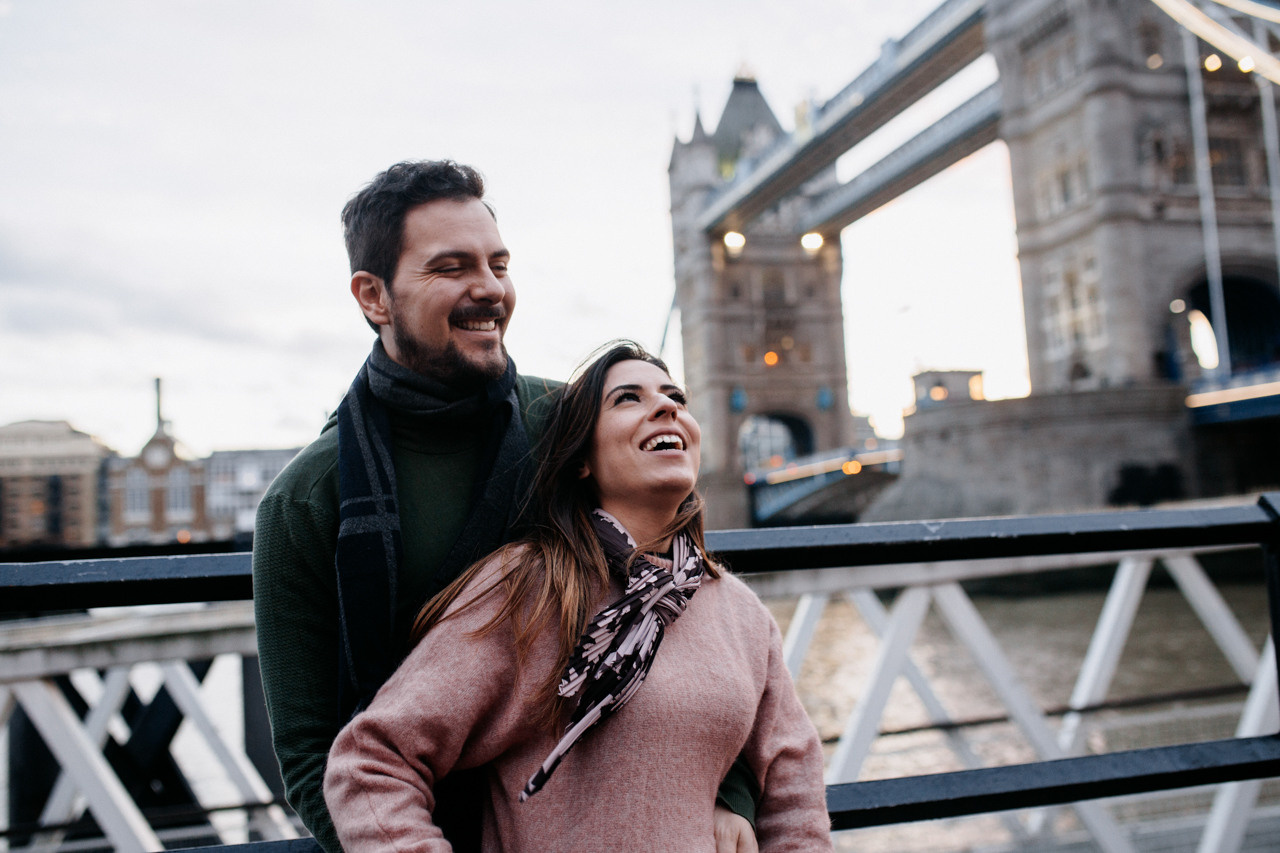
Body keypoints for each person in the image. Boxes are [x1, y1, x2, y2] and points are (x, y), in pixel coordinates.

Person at [252, 162, 759, 853]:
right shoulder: (308, 499)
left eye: (498, 263)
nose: (489, 289)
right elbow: (314, 755)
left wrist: (727, 792)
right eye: (451, 267)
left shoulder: (572, 422)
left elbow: (680, 591)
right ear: (374, 296)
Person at [324, 342, 834, 852]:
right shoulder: (529, 589)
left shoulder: (738, 610)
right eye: (627, 399)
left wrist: (734, 800)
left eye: (675, 395)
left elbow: (795, 791)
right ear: (583, 460)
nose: (667, 407)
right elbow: (372, 763)